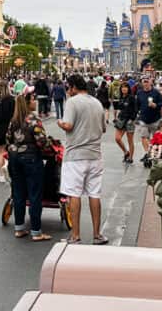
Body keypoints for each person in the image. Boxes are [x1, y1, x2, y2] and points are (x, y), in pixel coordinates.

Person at [56, 74, 108, 245]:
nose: (67, 91)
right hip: (95, 155)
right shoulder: (97, 102)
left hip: (75, 156)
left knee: (74, 194)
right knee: (94, 194)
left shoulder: (72, 102)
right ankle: (97, 234)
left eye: (68, 87)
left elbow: (69, 125)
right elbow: (103, 129)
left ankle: (76, 235)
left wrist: (60, 123)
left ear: (73, 87)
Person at [6, 89, 52, 241]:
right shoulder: (33, 119)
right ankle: (36, 231)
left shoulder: (13, 119)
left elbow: (7, 140)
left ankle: (19, 228)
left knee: (18, 193)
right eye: (33, 99)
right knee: (34, 194)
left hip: (14, 158)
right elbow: (42, 141)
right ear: (28, 102)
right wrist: (49, 147)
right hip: (31, 159)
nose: (35, 102)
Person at [134, 75, 162, 165]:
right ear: (142, 83)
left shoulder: (156, 92)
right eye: (144, 81)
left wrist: (155, 105)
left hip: (155, 119)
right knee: (144, 137)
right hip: (143, 119)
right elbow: (137, 105)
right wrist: (137, 114)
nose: (145, 83)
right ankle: (148, 153)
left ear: (150, 82)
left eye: (147, 81)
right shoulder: (139, 93)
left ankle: (153, 154)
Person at [113, 81, 137, 164]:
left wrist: (133, 119)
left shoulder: (131, 97)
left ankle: (130, 158)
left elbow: (135, 109)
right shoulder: (121, 97)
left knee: (130, 140)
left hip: (129, 120)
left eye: (125, 87)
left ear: (128, 88)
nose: (124, 88)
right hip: (121, 119)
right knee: (117, 138)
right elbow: (119, 107)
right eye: (122, 87)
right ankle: (126, 152)